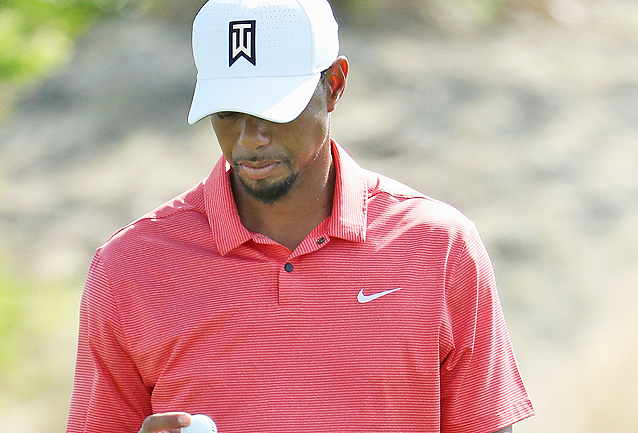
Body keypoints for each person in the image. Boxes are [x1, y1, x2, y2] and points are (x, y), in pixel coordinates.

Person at [66, 0, 535, 432]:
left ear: (334, 85)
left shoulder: (440, 247)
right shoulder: (127, 267)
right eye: (228, 111)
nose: (249, 138)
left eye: (273, 108)